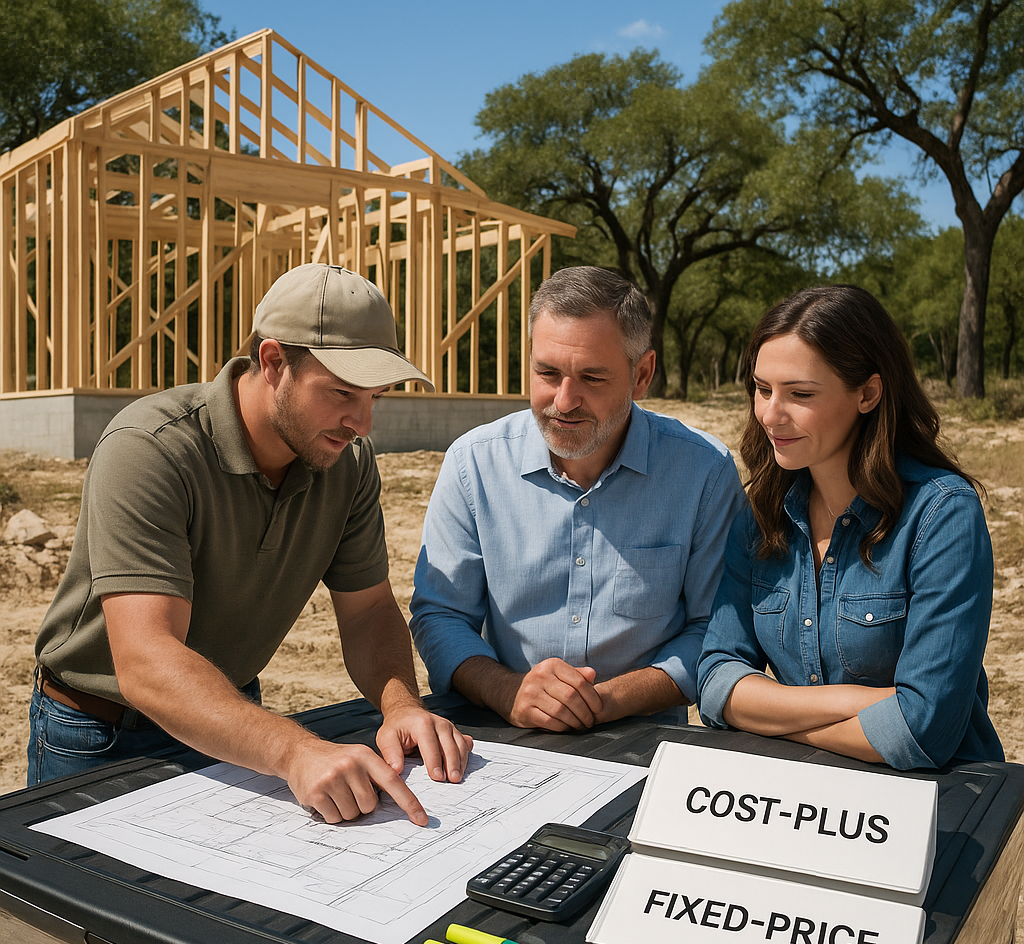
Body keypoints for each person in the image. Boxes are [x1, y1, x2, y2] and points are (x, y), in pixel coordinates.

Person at [30, 263, 472, 825]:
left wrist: (401, 705)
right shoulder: (150, 449)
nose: (362, 423)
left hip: (236, 721)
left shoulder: (347, 463)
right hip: (100, 733)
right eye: (341, 392)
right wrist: (293, 751)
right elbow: (145, 658)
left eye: (376, 398)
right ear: (272, 362)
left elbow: (368, 612)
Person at [410, 266, 745, 732]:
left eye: (592, 377)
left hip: (647, 741)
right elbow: (441, 614)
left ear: (642, 374)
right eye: (547, 372)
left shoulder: (703, 472)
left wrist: (605, 702)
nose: (564, 401)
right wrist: (508, 690)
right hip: (503, 734)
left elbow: (717, 631)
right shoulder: (473, 466)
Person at [696, 284, 1003, 770]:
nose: (771, 414)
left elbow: (920, 731)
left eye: (800, 394)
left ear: (868, 393)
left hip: (936, 802)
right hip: (805, 800)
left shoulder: (942, 515)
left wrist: (769, 714)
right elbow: (715, 680)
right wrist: (855, 702)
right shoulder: (760, 515)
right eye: (762, 388)